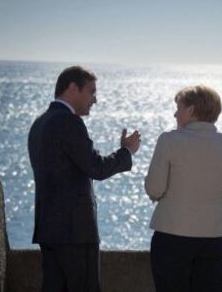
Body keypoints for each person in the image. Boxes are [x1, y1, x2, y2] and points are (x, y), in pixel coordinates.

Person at [28, 65, 141, 292]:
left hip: (49, 229)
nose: (95, 100)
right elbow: (96, 167)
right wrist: (126, 152)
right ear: (72, 88)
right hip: (75, 233)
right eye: (91, 91)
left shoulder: (40, 123)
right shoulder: (68, 122)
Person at [145, 85, 222, 292]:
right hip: (215, 237)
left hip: (172, 235)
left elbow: (154, 189)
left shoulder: (169, 140)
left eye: (179, 108)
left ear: (191, 110)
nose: (175, 113)